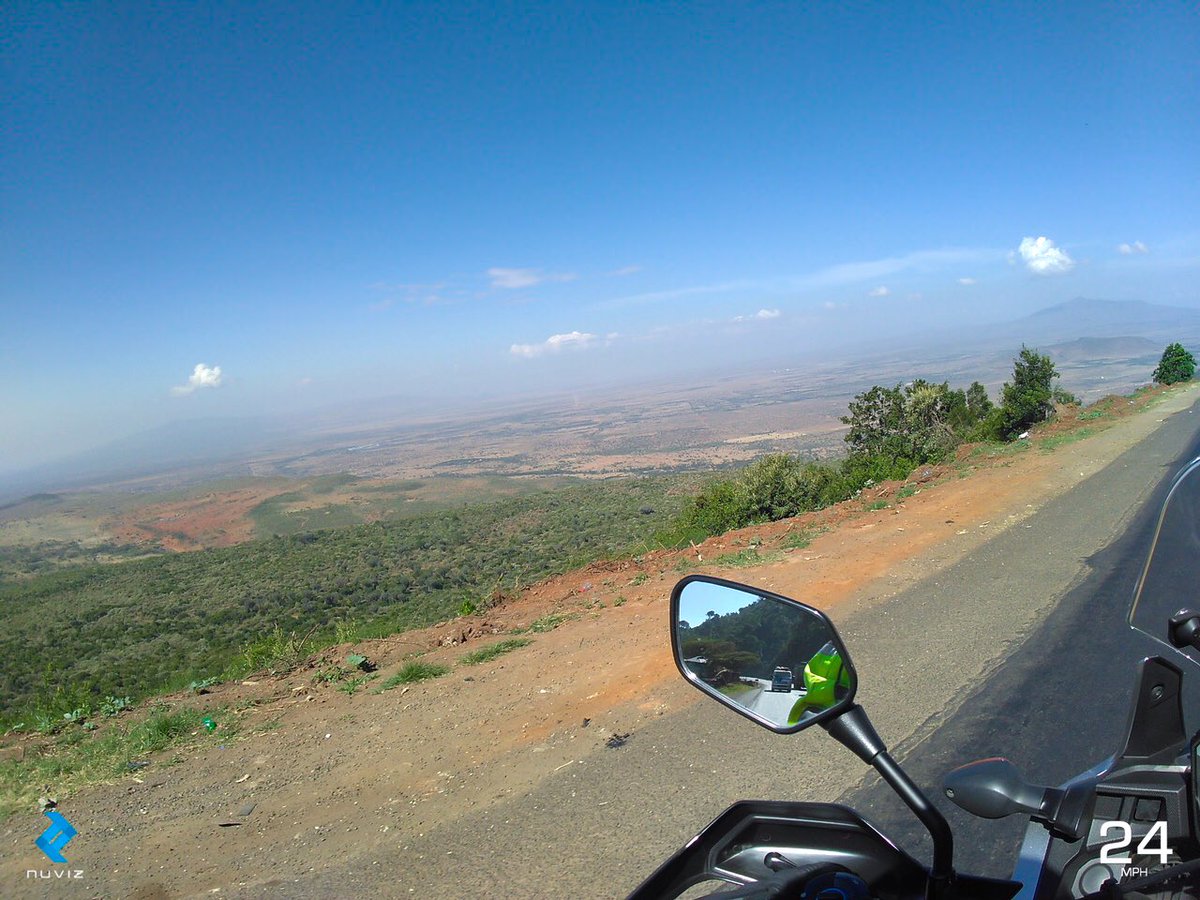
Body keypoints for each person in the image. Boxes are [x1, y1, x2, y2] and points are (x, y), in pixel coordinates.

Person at [788, 641, 851, 725]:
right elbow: (811, 673)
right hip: (823, 715)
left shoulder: (834, 645)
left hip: (829, 715)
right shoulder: (833, 647)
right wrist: (835, 690)